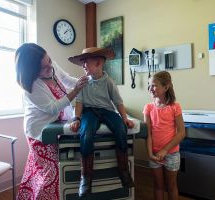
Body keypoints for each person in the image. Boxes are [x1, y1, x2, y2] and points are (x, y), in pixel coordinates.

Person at [15, 43, 87, 200]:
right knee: (51, 173)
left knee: (40, 170)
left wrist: (87, 82)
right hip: (39, 132)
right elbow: (53, 108)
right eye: (44, 67)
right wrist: (76, 91)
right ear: (32, 72)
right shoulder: (32, 87)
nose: (50, 67)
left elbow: (67, 80)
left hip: (55, 125)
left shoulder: (50, 65)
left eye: (49, 61)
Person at [68, 47, 135, 198]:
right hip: (90, 111)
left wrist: (125, 118)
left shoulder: (109, 82)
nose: (83, 65)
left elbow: (118, 103)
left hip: (107, 111)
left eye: (86, 62)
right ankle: (86, 177)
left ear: (98, 63)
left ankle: (123, 170)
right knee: (86, 132)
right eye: (83, 62)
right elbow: (79, 103)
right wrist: (76, 119)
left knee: (120, 129)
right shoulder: (83, 83)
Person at [143, 71, 186, 200]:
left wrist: (165, 150)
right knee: (158, 185)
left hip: (171, 154)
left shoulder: (175, 107)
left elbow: (182, 132)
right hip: (154, 155)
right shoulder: (148, 108)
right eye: (149, 85)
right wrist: (150, 153)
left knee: (171, 186)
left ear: (166, 87)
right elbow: (148, 133)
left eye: (154, 85)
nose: (150, 88)